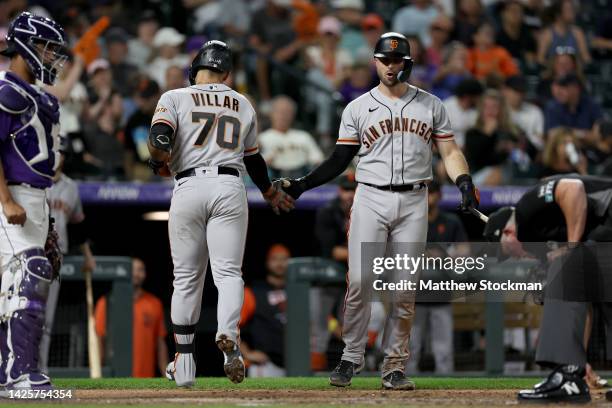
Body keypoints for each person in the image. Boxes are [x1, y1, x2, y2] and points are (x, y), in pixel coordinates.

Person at [281, 32, 478, 390]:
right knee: (359, 282)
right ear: (375, 61)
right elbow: (339, 159)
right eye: (384, 60)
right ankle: (351, 356)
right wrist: (303, 184)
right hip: (370, 196)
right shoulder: (357, 107)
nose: (390, 66)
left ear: (407, 63)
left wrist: (464, 181)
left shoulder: (431, 104)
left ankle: (394, 365)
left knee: (404, 288)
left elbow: (449, 152)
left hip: (415, 199)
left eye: (396, 60)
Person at [147, 40, 294, 387]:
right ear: (227, 73)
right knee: (228, 273)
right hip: (230, 185)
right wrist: (269, 190)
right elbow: (254, 159)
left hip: (189, 186)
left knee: (185, 279)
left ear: (194, 68)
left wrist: (158, 159)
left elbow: (159, 137)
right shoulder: (241, 102)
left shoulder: (175, 96)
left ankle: (184, 364)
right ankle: (229, 335)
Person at [482, 174, 612, 403]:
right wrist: (579, 360)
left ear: (508, 233)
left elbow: (573, 189)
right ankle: (571, 372)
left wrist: (572, 248)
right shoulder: (545, 239)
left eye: (507, 251)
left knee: (567, 265)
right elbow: (582, 305)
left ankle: (568, 375)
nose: (516, 257)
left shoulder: (525, 209)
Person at [0, 11, 68, 391]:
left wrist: (50, 225)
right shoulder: (6, 90)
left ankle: (6, 372)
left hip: (38, 199)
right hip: (12, 197)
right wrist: (6, 200)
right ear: (25, 45)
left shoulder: (39, 97)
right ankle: (21, 373)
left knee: (11, 286)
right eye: (45, 47)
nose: (50, 56)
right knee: (31, 274)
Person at [39, 138, 96, 373]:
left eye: (61, 152)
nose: (57, 155)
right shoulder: (33, 180)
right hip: (31, 250)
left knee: (47, 319)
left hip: (55, 255)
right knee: (22, 311)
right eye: (54, 151)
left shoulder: (71, 187)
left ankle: (39, 369)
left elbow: (79, 226)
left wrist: (87, 255)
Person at [406, 180, 469, 375]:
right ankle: (402, 387)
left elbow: (464, 251)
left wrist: (444, 255)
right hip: (414, 296)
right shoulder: (410, 220)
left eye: (432, 193)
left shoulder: (450, 221)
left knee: (443, 350)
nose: (428, 197)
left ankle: (447, 391)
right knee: (411, 349)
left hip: (442, 294)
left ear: (439, 195)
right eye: (425, 193)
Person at [311, 174, 357, 371]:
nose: (350, 194)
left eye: (353, 189)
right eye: (346, 190)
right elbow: (333, 251)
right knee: (318, 331)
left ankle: (359, 365)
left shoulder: (366, 212)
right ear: (340, 191)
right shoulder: (328, 211)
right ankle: (312, 373)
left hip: (352, 280)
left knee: (359, 325)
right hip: (325, 279)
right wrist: (365, 253)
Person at [94, 258, 168, 378]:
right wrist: (98, 374)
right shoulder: (106, 303)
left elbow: (160, 342)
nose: (136, 273)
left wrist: (165, 373)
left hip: (145, 378)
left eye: (140, 270)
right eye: (132, 269)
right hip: (114, 378)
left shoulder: (154, 303)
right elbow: (99, 340)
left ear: (145, 274)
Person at [239, 244, 290, 377]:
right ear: (267, 263)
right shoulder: (253, 292)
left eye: (284, 259)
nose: (280, 263)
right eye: (275, 259)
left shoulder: (299, 291)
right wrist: (247, 353)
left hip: (297, 362)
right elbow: (232, 326)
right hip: (266, 364)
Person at [259, 95, 324, 179]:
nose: (283, 116)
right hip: (273, 178)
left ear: (293, 115)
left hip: (302, 176)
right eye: (280, 112)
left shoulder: (304, 136)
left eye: (287, 112)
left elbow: (317, 159)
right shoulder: (262, 138)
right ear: (271, 113)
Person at [464, 89, 518, 186]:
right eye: (486, 107)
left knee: (499, 171)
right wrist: (487, 134)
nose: (490, 111)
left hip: (505, 176)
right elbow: (475, 158)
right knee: (496, 173)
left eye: (494, 107)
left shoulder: (509, 133)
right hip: (476, 176)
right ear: (481, 109)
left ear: (501, 110)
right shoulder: (472, 132)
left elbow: (509, 159)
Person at [544, 73, 603, 141]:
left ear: (576, 88)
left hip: (589, 148)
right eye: (559, 87)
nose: (559, 92)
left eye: (564, 87)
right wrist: (584, 134)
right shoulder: (553, 106)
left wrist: (567, 132)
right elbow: (553, 134)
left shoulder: (592, 105)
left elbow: (598, 135)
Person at [123, 77, 161, 181]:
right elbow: (128, 151)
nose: (142, 102)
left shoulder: (170, 116)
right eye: (141, 97)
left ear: (158, 96)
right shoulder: (134, 121)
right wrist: (130, 178)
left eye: (146, 97)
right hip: (143, 170)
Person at [537, 0, 591, 66]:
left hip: (574, 73)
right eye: (568, 10)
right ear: (558, 14)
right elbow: (540, 59)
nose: (572, 12)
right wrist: (555, 67)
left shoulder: (577, 33)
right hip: (554, 74)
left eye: (572, 9)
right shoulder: (547, 34)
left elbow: (586, 58)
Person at [502, 75, 544, 152]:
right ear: (505, 90)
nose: (519, 95)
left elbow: (539, 140)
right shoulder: (498, 111)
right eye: (516, 91)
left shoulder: (535, 111)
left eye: (522, 91)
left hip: (529, 152)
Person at [442, 78, 483, 148]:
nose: (479, 99)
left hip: (467, 151)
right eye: (477, 96)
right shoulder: (446, 107)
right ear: (468, 96)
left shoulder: (476, 111)